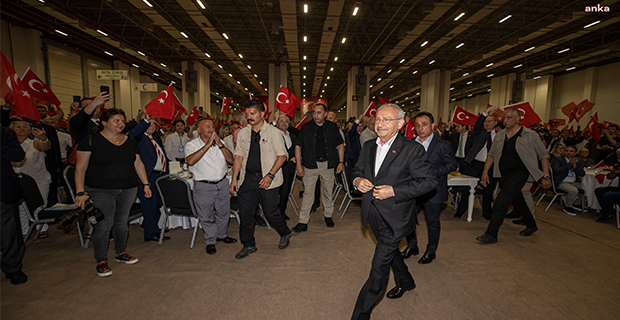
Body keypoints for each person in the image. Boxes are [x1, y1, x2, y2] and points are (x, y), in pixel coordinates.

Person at [350, 104, 437, 319]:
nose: (380, 123)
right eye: (378, 119)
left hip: (396, 217)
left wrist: (395, 191)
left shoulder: (412, 149)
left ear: (400, 124)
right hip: (372, 213)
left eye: (386, 120)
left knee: (378, 268)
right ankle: (406, 281)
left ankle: (361, 314)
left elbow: (428, 182)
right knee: (388, 253)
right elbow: (358, 168)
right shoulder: (369, 146)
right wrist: (357, 180)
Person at [74, 108, 151, 277]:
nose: (121, 124)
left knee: (122, 222)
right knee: (103, 225)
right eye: (116, 120)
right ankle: (101, 260)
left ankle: (120, 252)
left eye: (122, 121)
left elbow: (138, 164)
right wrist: (80, 192)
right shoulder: (90, 141)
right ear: (103, 122)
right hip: (100, 190)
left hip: (128, 188)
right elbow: (80, 168)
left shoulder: (130, 141)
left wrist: (145, 184)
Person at [476, 108, 551, 243]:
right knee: (518, 200)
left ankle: (491, 234)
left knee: (501, 202)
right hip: (503, 174)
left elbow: (544, 155)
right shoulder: (500, 135)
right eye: (504, 118)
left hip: (520, 173)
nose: (505, 121)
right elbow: (491, 155)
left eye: (509, 118)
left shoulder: (530, 135)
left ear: (518, 119)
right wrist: (485, 172)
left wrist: (546, 176)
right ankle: (531, 224)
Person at [230, 99, 292, 259]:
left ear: (262, 114)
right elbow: (238, 156)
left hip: (268, 179)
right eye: (247, 113)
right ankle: (248, 244)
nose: (249, 116)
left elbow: (282, 155)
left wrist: (270, 175)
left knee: (271, 213)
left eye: (253, 113)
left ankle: (285, 232)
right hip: (248, 180)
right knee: (246, 214)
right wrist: (234, 179)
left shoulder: (273, 132)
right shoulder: (243, 132)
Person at [402, 112, 458, 264]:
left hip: (434, 190)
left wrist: (431, 172)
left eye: (424, 124)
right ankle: (412, 246)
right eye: (417, 125)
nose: (421, 128)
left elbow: (452, 165)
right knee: (408, 219)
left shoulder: (443, 145)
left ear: (433, 126)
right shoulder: (409, 144)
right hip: (413, 189)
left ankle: (431, 251)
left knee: (432, 222)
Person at [185, 118, 236, 255]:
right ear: (199, 129)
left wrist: (220, 145)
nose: (211, 128)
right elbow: (190, 161)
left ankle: (221, 235)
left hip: (222, 182)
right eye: (207, 126)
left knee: (224, 212)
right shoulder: (192, 145)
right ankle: (210, 241)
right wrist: (207, 145)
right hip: (204, 186)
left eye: (212, 126)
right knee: (206, 215)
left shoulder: (220, 143)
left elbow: (231, 159)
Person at [292, 103, 344, 232]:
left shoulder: (332, 127)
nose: (316, 115)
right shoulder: (306, 128)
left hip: (328, 165)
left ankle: (328, 216)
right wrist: (299, 164)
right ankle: (303, 221)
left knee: (328, 192)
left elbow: (340, 145)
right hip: (310, 165)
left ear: (325, 113)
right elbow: (298, 146)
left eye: (319, 112)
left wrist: (341, 162)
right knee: (308, 193)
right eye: (314, 112)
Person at [129, 116, 171, 242]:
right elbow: (133, 133)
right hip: (148, 176)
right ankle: (150, 232)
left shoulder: (154, 138)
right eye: (149, 124)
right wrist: (144, 121)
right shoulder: (140, 138)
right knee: (149, 205)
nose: (152, 126)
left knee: (158, 202)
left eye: (153, 124)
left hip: (160, 175)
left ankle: (151, 226)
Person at [9, 120, 52, 237]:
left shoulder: (34, 143)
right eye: (18, 127)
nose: (22, 129)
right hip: (17, 181)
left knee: (40, 205)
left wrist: (44, 138)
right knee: (21, 208)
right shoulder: (7, 146)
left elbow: (46, 146)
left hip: (38, 180)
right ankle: (24, 230)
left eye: (25, 127)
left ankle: (42, 227)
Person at [455, 106, 498, 219]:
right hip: (475, 164)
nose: (487, 123)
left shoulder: (499, 136)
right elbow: (478, 124)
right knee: (467, 189)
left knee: (488, 190)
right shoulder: (480, 132)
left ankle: (487, 212)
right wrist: (485, 113)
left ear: (495, 123)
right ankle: (461, 210)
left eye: (490, 121)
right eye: (485, 121)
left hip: (490, 166)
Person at [1, 126, 28, 284]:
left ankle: (12, 267)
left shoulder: (5, 133)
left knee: (9, 232)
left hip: (3, 191)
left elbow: (18, 155)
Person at [551, 145, 585, 216]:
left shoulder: (578, 161)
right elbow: (556, 171)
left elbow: (582, 174)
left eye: (571, 151)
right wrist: (569, 164)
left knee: (587, 187)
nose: (568, 153)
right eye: (567, 151)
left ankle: (576, 203)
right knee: (573, 190)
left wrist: (575, 167)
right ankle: (568, 207)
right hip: (562, 182)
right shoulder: (558, 159)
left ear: (575, 153)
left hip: (574, 181)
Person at [274, 114, 297, 221]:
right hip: (276, 167)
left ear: (289, 124)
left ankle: (282, 211)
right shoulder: (273, 134)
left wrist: (295, 157)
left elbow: (296, 149)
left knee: (286, 191)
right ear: (277, 123)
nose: (284, 123)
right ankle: (273, 213)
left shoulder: (292, 136)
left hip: (289, 168)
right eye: (281, 121)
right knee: (274, 191)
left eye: (286, 121)